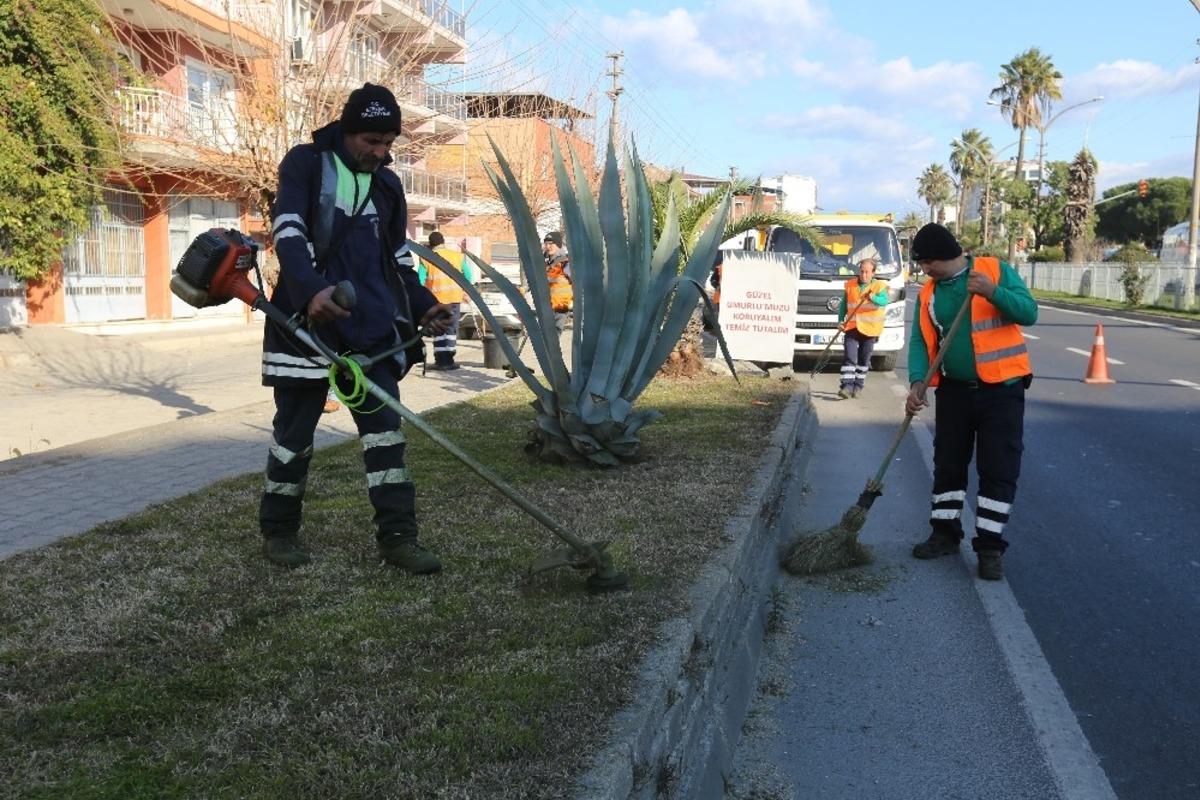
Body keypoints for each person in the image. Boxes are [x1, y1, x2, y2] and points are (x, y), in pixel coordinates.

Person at [260, 82, 452, 574]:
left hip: (369, 330)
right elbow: (288, 231)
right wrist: (310, 291)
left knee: (386, 434)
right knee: (294, 436)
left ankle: (398, 539)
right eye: (371, 140)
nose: (380, 152)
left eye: (388, 142)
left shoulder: (387, 185)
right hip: (303, 326)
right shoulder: (305, 164)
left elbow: (398, 259)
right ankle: (279, 532)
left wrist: (424, 304)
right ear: (348, 130)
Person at [904, 223, 1037, 581]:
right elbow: (920, 341)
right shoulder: (929, 293)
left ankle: (990, 547)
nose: (924, 270)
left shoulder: (993, 271)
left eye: (927, 263)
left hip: (1002, 391)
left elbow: (1028, 312)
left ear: (945, 256)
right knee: (948, 464)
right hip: (955, 391)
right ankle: (944, 534)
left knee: (998, 468)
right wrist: (918, 382)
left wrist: (992, 292)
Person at [418, 230, 472, 370]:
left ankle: (441, 361)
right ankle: (450, 360)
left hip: (437, 302)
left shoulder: (426, 258)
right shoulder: (457, 256)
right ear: (443, 242)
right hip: (454, 298)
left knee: (439, 330)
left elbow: (420, 280)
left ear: (430, 245)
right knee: (452, 330)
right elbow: (468, 275)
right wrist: (463, 291)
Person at [835, 258, 888, 399]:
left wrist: (873, 298)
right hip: (852, 327)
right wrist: (840, 321)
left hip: (870, 329)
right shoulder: (850, 285)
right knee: (850, 358)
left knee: (864, 360)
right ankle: (846, 386)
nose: (864, 275)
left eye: (867, 272)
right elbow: (843, 305)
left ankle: (858, 386)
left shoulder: (879, 287)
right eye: (862, 271)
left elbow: (884, 301)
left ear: (873, 273)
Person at [542, 231, 572, 331]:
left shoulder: (565, 262)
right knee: (545, 336)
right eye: (546, 243)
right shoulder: (545, 261)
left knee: (553, 337)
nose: (548, 246)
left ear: (558, 245)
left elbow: (576, 282)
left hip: (560, 306)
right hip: (546, 305)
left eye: (551, 244)